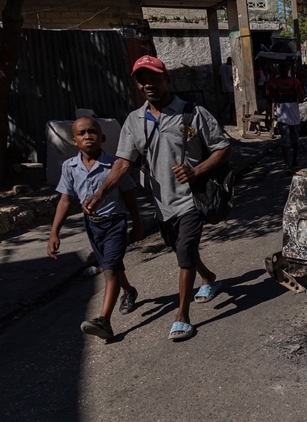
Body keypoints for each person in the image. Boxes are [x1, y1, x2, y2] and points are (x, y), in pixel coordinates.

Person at [84, 55, 231, 342]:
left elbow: (223, 148)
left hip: (193, 198)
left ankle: (182, 317)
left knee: (185, 251)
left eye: (154, 77)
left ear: (167, 80)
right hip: (163, 203)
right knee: (180, 249)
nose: (148, 84)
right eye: (142, 79)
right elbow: (124, 163)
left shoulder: (192, 113)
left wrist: (196, 169)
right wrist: (100, 193)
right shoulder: (134, 121)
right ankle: (209, 278)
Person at [48, 117, 143, 341]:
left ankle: (104, 320)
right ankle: (128, 291)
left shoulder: (115, 166)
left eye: (92, 132)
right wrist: (54, 233)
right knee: (113, 265)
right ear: (74, 141)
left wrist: (137, 225)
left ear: (103, 138)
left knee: (109, 270)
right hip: (92, 226)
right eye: (82, 134)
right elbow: (64, 201)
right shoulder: (70, 167)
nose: (88, 136)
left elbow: (129, 197)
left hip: (115, 223)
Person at [266, 63, 306, 174]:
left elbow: (301, 99)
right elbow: (269, 100)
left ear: (288, 69)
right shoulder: (274, 82)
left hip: (294, 115)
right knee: (285, 139)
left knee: (295, 139)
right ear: (279, 69)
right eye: (281, 68)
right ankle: (287, 165)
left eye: (285, 68)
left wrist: (295, 92)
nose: (283, 70)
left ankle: (294, 160)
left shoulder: (295, 82)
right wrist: (267, 117)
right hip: (282, 115)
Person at [219, 57, 234, 122]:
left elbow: (219, 77)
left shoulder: (222, 67)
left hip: (224, 87)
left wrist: (220, 87)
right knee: (232, 102)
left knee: (227, 101)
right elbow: (231, 77)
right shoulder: (230, 68)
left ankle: (221, 112)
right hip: (230, 87)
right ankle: (231, 116)